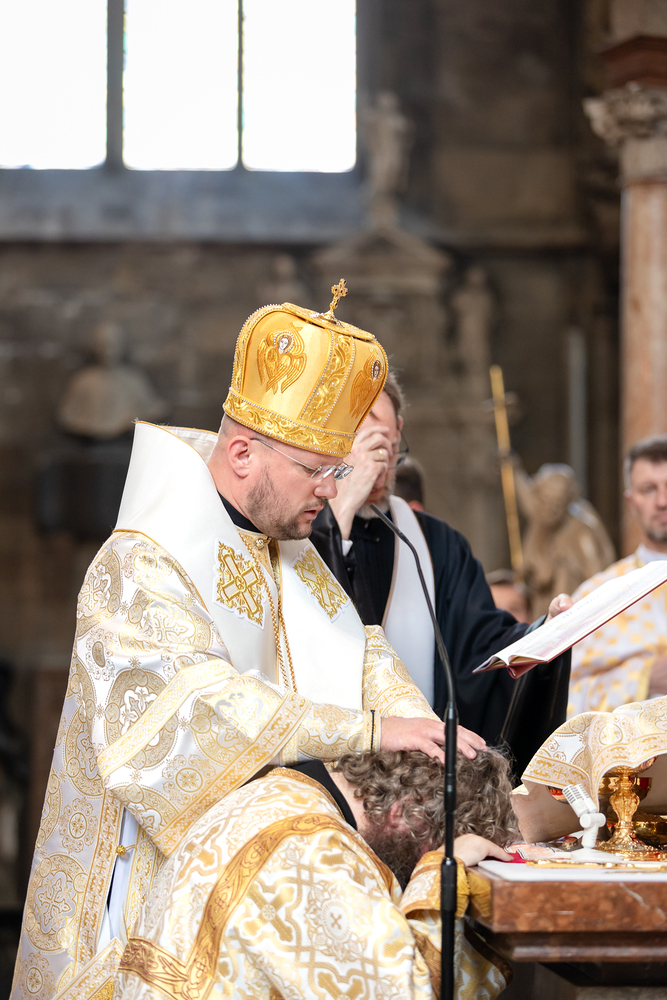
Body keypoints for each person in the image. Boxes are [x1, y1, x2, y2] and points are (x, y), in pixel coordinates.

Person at [13, 295, 485, 1000]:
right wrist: (370, 731)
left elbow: (361, 652)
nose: (330, 491)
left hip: (285, 871)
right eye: (316, 470)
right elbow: (193, 715)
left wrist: (420, 732)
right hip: (154, 891)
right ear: (241, 453)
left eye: (337, 470)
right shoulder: (143, 562)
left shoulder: (287, 542)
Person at [311, 371, 572, 762]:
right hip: (329, 761)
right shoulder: (300, 526)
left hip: (420, 771)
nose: (374, 464)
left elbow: (480, 651)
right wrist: (341, 511)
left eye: (382, 445)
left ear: (398, 432)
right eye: (355, 444)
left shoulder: (437, 544)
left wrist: (546, 636)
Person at [116, 748, 517, 1000]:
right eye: (433, 844)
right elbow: (403, 992)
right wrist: (443, 868)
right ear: (404, 813)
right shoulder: (313, 847)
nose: (419, 863)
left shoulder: (283, 794)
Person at [568, 435, 667, 717]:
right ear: (631, 501)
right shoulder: (598, 596)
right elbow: (564, 699)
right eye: (648, 489)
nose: (662, 501)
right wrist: (643, 679)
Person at [515, 462, 615, 618]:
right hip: (543, 610)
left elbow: (597, 580)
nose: (550, 510)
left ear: (568, 502)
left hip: (573, 612)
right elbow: (528, 501)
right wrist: (514, 471)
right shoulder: (542, 516)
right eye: (545, 502)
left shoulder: (581, 530)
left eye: (557, 504)